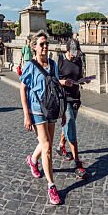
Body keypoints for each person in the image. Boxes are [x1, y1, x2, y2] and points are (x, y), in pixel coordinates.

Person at [19, 31, 63, 205]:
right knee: (47, 147)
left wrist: (63, 111)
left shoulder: (53, 64)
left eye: (46, 44)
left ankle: (33, 160)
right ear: (34, 47)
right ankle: (51, 186)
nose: (45, 47)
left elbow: (58, 86)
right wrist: (26, 114)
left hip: (51, 108)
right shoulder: (30, 66)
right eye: (41, 44)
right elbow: (22, 88)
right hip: (37, 110)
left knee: (47, 144)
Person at [56, 49, 89, 179]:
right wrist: (64, 82)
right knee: (70, 125)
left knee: (68, 125)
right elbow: (53, 79)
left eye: (77, 54)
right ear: (68, 50)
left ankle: (60, 146)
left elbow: (78, 76)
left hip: (75, 98)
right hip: (64, 99)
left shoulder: (79, 61)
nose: (75, 56)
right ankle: (77, 163)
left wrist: (84, 80)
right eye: (73, 54)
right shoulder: (59, 60)